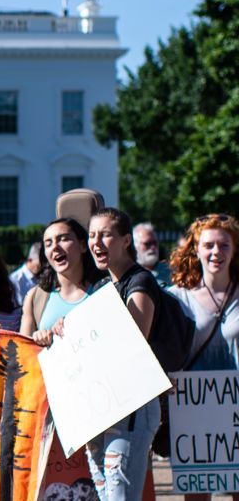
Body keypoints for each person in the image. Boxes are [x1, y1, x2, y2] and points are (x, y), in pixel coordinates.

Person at [86, 207, 160, 501]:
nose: (96, 243)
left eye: (105, 235)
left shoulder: (139, 282)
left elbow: (133, 340)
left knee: (120, 497)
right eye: (92, 235)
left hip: (133, 407)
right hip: (105, 408)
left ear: (126, 240)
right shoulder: (106, 286)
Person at [167, 214, 239, 501]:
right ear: (195, 249)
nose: (216, 253)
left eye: (224, 245)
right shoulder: (176, 298)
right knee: (197, 495)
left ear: (235, 249)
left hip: (235, 409)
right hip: (192, 410)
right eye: (208, 245)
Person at [20, 218, 102, 344]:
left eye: (63, 239)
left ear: (83, 245)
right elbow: (23, 352)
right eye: (48, 243)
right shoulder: (34, 297)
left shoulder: (105, 290)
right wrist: (37, 341)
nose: (55, 247)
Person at [133, 222, 172, 287]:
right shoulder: (128, 274)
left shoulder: (172, 272)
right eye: (147, 243)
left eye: (155, 243)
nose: (153, 247)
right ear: (135, 246)